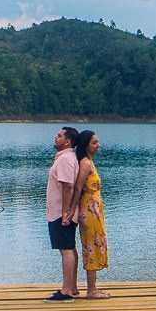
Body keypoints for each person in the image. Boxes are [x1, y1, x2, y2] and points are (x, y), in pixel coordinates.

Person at [44, 126, 82, 300]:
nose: (55, 137)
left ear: (67, 141)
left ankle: (66, 290)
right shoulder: (65, 157)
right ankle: (72, 287)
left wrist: (66, 211)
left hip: (62, 214)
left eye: (59, 136)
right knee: (69, 247)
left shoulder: (66, 159)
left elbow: (68, 186)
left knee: (66, 249)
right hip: (60, 212)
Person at [73, 129, 108, 298]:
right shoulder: (85, 164)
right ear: (86, 145)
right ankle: (91, 290)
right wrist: (72, 208)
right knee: (91, 246)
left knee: (96, 243)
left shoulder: (90, 162)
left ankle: (93, 287)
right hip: (88, 210)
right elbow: (78, 188)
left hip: (94, 209)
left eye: (97, 142)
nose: (98, 145)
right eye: (94, 143)